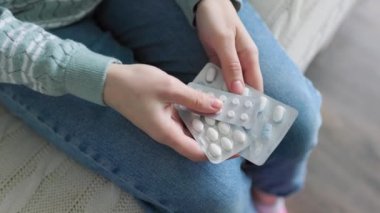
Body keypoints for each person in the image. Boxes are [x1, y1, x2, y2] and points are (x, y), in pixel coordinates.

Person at [0, 0, 322, 212]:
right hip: (21, 30)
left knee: (296, 123)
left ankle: (269, 195)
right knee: (218, 198)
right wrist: (101, 80)